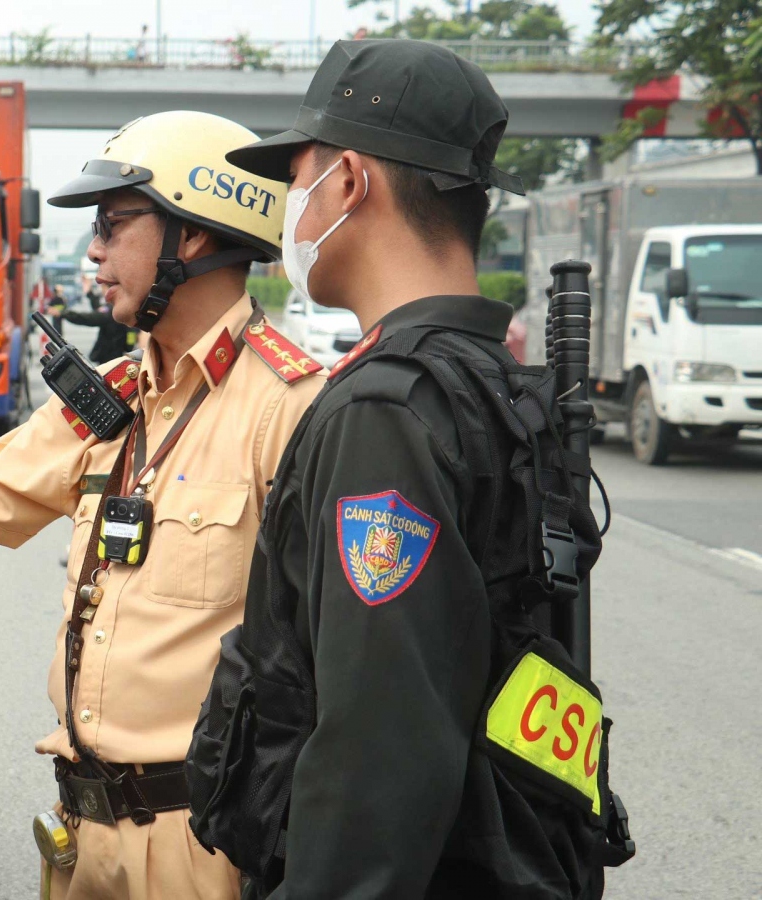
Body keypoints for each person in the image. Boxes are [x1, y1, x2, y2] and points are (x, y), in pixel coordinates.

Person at [185, 39, 632, 898]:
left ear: (349, 182)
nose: (291, 209)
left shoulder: (386, 410)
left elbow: (376, 753)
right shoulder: (492, 382)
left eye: (299, 176)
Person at [0, 111, 323, 900]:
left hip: (204, 847)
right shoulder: (116, 396)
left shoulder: (288, 408)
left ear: (193, 237)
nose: (93, 250)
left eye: (113, 223)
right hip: (82, 835)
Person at [60, 288, 139, 364]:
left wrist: (64, 313)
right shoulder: (123, 308)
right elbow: (99, 311)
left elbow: (90, 318)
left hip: (108, 355)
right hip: (120, 353)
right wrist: (129, 348)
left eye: (103, 288)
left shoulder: (110, 310)